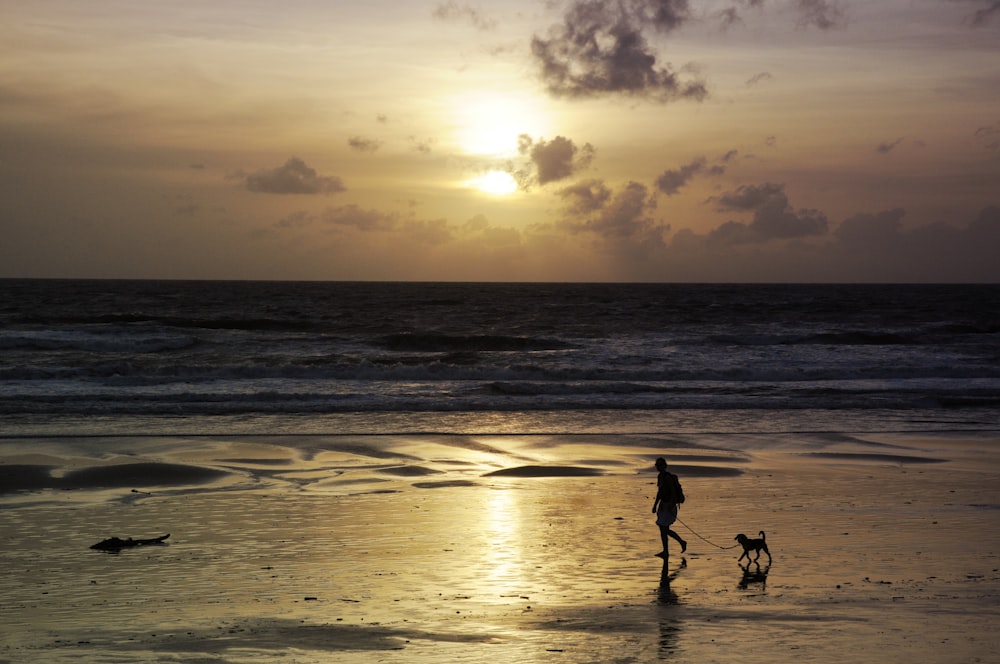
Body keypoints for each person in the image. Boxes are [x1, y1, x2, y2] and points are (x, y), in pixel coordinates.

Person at [652, 457, 687, 558]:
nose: (659, 467)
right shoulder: (660, 477)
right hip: (663, 505)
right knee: (663, 529)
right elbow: (659, 492)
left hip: (669, 506)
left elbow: (672, 493)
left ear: (664, 466)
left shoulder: (667, 477)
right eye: (657, 466)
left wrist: (670, 506)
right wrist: (655, 505)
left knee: (664, 529)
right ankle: (668, 549)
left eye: (660, 466)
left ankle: (677, 544)